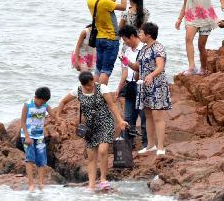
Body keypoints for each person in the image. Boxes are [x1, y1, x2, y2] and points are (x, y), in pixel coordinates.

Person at [57, 71, 128, 192]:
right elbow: (63, 101)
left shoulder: (102, 88)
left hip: (105, 122)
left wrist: (120, 121)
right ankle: (91, 185)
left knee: (103, 150)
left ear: (92, 81)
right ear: (82, 84)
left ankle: (103, 180)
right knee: (91, 157)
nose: (90, 87)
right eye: (87, 86)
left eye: (91, 84)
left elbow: (112, 106)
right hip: (90, 128)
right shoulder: (78, 90)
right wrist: (58, 116)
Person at [129, 21, 172, 155]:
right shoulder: (143, 49)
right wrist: (126, 62)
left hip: (157, 85)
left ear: (148, 35)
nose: (139, 34)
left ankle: (160, 147)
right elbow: (138, 67)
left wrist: (151, 75)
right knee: (147, 116)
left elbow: (160, 66)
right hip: (145, 85)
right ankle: (150, 145)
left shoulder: (158, 48)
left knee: (157, 116)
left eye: (141, 32)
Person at [175, 0, 224, 76]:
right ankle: (192, 67)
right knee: (188, 38)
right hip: (191, 17)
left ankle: (203, 68)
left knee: (201, 45)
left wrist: (223, 4)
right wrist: (179, 18)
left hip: (206, 19)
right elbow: (185, 3)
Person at [86, 0, 127, 85]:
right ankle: (101, 95)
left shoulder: (90, 0)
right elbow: (123, 6)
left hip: (99, 38)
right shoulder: (104, 2)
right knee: (106, 70)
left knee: (99, 68)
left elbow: (108, 4)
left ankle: (94, 93)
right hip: (111, 39)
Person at [117, 25, 147, 149]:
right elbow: (125, 71)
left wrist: (127, 62)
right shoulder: (127, 50)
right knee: (128, 117)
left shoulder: (144, 48)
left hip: (141, 84)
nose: (125, 42)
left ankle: (147, 144)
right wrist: (119, 88)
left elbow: (141, 68)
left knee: (144, 116)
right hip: (129, 85)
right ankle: (127, 145)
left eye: (125, 39)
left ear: (132, 36)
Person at [21, 87, 52, 192]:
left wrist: (59, 120)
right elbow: (22, 122)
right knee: (30, 159)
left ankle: (41, 183)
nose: (41, 104)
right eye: (40, 102)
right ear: (35, 97)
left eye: (44, 102)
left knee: (41, 160)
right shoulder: (27, 105)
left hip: (39, 137)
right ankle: (31, 183)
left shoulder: (45, 105)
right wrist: (27, 136)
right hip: (28, 136)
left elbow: (54, 115)